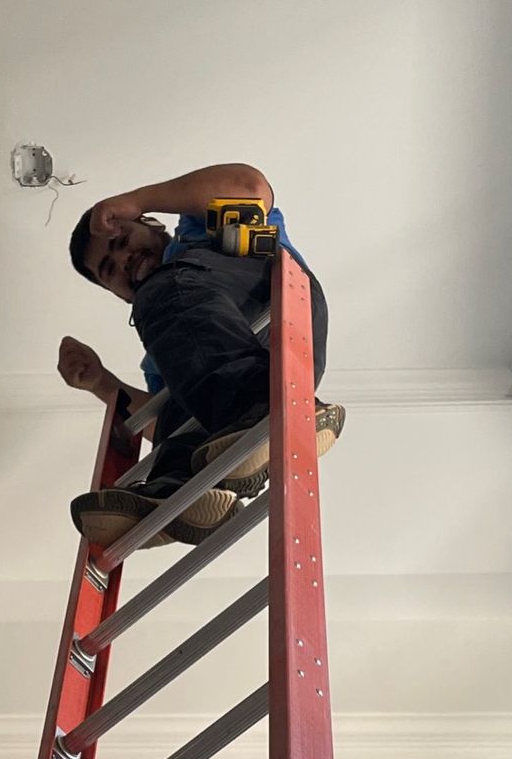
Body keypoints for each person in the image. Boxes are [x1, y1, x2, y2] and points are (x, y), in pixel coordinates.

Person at [56, 163, 343, 549]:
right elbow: (166, 425)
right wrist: (101, 383)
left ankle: (261, 408)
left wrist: (136, 200)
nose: (124, 260)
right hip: (235, 370)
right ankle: (176, 491)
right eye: (110, 269)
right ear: (115, 294)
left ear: (151, 224)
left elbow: (250, 187)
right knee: (181, 410)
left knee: (165, 290)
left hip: (279, 305)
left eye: (123, 240)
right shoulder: (167, 342)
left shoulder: (197, 229)